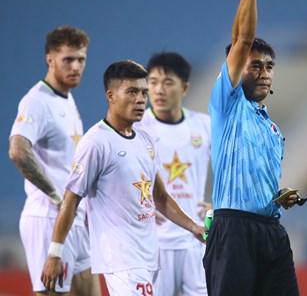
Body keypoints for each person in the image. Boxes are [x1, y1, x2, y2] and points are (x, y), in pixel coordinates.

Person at [40, 60, 205, 295]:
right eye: (132, 92)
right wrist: (55, 254)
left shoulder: (145, 140)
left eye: (143, 93)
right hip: (121, 260)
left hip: (148, 256)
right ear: (111, 96)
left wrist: (194, 227)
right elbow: (71, 199)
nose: (141, 99)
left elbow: (160, 197)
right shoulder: (96, 142)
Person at [203, 0, 301, 296]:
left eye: (269, 66)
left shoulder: (273, 129)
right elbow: (242, 40)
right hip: (233, 230)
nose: (264, 72)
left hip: (271, 230)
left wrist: (278, 197)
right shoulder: (228, 104)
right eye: (255, 65)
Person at [8, 26, 101, 296]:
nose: (76, 67)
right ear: (50, 59)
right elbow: (18, 150)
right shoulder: (37, 101)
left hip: (72, 219)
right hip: (48, 219)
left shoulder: (67, 99)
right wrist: (55, 196)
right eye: (68, 60)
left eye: (81, 59)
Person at [136, 52, 212, 296]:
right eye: (153, 82)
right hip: (155, 244)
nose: (159, 90)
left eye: (167, 82)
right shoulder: (137, 129)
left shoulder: (204, 126)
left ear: (185, 88)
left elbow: (230, 170)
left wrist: (219, 204)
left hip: (196, 241)